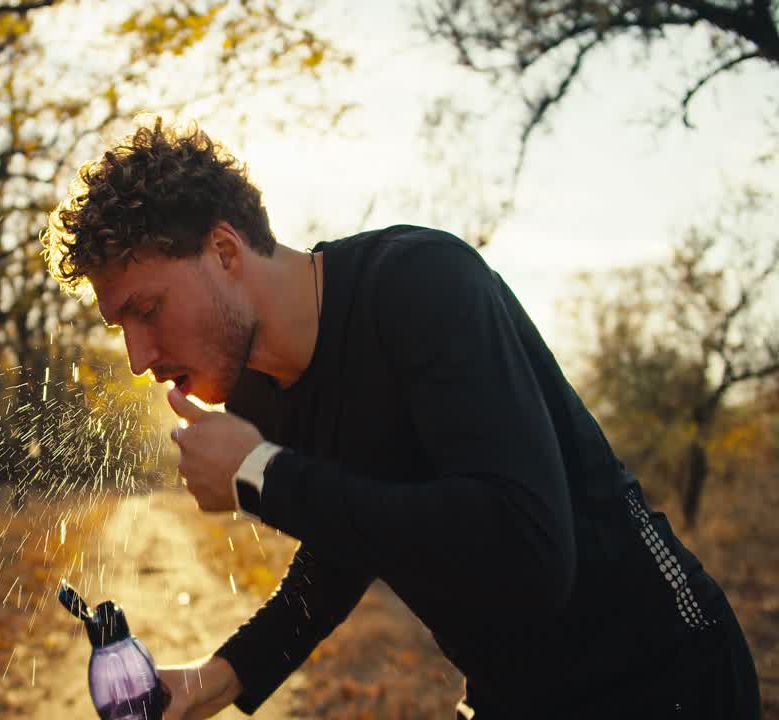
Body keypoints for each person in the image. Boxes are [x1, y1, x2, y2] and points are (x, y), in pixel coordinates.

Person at [39, 118, 761, 719]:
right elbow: (347, 538)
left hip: (663, 674)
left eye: (147, 310)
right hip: (513, 695)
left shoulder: (421, 286)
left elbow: (528, 551)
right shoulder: (258, 393)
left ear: (223, 250)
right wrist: (221, 676)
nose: (137, 356)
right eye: (120, 326)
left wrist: (264, 473)